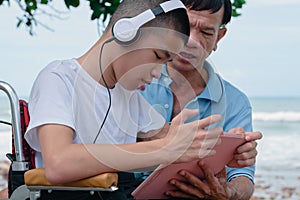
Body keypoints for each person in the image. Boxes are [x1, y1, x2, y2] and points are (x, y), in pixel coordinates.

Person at [24, 0, 226, 199]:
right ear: (125, 32)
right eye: (157, 56)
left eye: (166, 61)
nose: (158, 72)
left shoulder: (129, 96)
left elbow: (176, 143)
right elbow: (59, 164)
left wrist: (228, 147)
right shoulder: (58, 78)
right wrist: (163, 150)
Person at [139, 0, 263, 199]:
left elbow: (243, 177)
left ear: (218, 38)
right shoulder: (132, 81)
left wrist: (230, 193)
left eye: (206, 33)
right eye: (184, 28)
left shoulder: (235, 102)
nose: (191, 41)